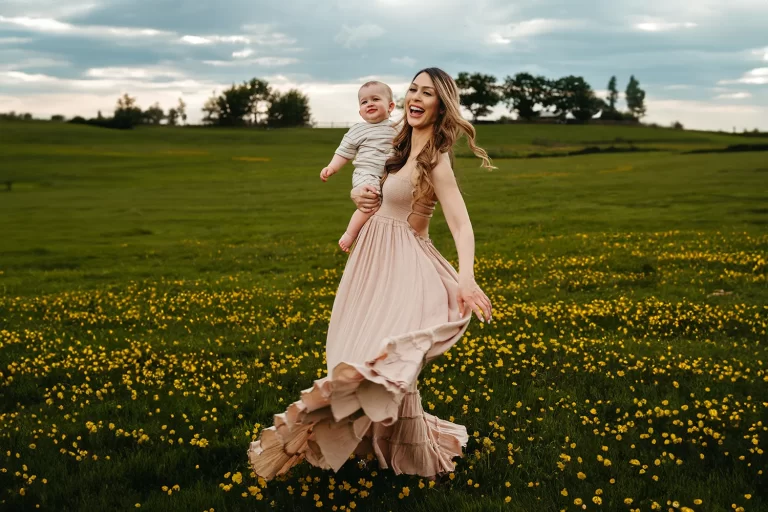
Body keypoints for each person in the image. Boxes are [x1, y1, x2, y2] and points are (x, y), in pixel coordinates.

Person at [248, 67, 493, 481]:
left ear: (441, 104)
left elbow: (461, 224)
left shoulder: (435, 157)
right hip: (369, 259)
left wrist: (466, 279)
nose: (416, 97)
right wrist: (356, 192)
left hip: (404, 263)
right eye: (413, 88)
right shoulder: (394, 141)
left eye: (427, 93)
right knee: (350, 352)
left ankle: (407, 452)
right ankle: (366, 443)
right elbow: (366, 181)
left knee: (385, 359)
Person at [320, 81, 398, 252]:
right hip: (366, 174)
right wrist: (331, 168)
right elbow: (344, 152)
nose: (369, 103)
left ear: (390, 106)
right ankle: (349, 234)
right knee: (370, 203)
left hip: (388, 175)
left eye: (375, 99)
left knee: (388, 205)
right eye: (364, 102)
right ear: (360, 111)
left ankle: (377, 239)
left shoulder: (397, 128)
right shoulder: (358, 130)